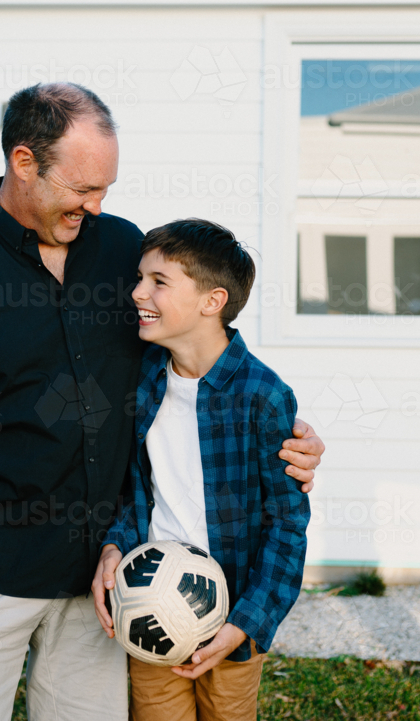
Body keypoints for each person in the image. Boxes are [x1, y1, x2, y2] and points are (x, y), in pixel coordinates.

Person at [0, 82, 324, 721]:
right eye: (82, 189)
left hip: (108, 586)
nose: (96, 204)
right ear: (24, 162)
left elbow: (186, 364)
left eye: (105, 189)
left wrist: (287, 437)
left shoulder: (121, 253)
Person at [93, 219, 310, 721]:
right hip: (148, 609)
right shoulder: (143, 377)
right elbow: (135, 489)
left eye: (158, 282)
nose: (137, 292)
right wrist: (114, 545)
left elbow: (287, 526)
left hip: (231, 618)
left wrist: (248, 623)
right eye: (140, 277)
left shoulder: (263, 395)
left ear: (212, 301)